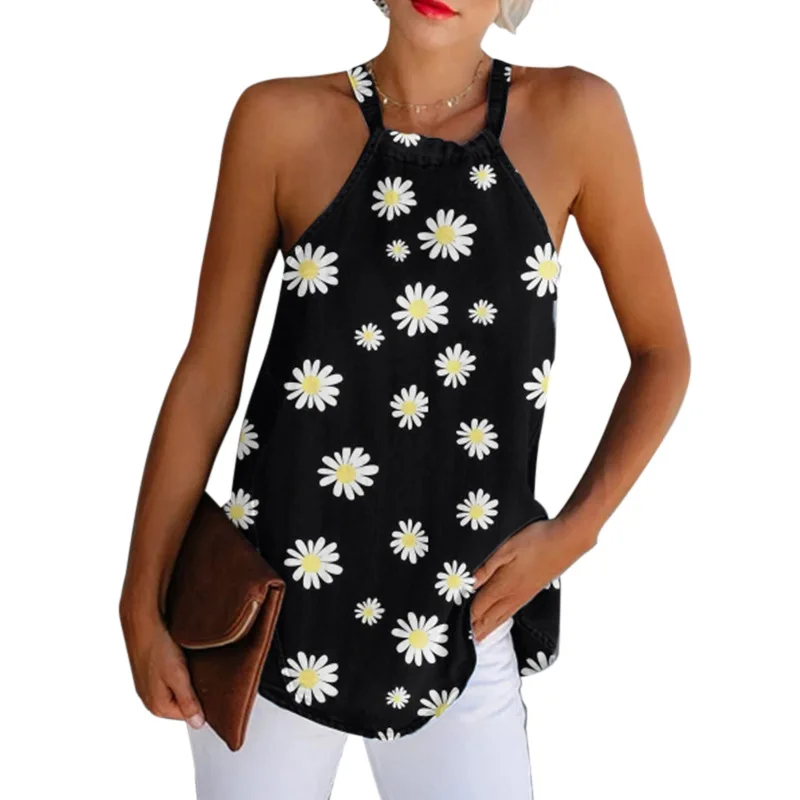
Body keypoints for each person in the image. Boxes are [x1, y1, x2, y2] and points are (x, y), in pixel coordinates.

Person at [119, 0, 691, 797]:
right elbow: (208, 375)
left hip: (464, 610)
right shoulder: (277, 120)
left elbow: (662, 352)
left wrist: (574, 533)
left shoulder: (574, 117)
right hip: (271, 614)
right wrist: (138, 601)